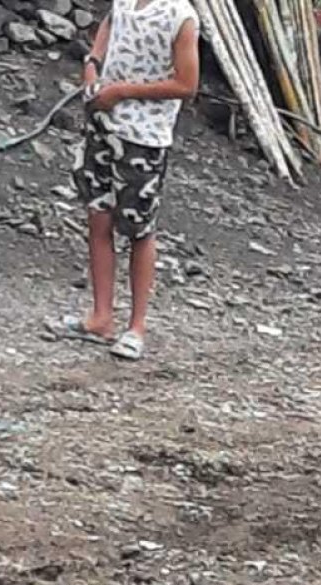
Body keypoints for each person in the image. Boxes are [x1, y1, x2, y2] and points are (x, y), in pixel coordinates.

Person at [55, 0, 200, 360]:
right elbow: (109, 24)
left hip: (144, 137)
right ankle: (101, 317)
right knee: (98, 214)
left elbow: (186, 83)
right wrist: (93, 63)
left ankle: (136, 327)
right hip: (103, 124)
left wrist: (122, 91)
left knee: (139, 228)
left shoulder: (181, 16)